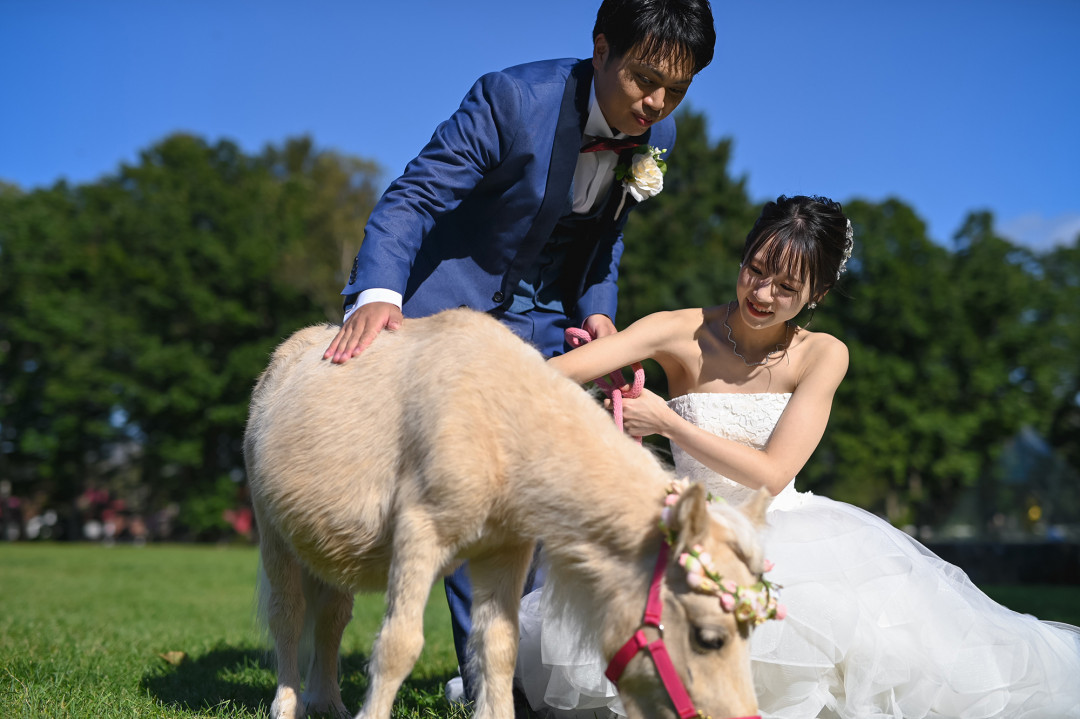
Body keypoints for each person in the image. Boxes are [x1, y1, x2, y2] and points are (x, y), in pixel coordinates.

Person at [515, 195, 1080, 718]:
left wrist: (667, 422)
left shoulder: (823, 354)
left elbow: (772, 472)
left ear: (818, 295)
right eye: (756, 269)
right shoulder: (678, 329)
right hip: (686, 523)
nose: (762, 294)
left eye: (786, 286)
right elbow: (549, 376)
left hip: (782, 529)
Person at [321, 0, 717, 704]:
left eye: (676, 90)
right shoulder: (511, 99)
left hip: (552, 331)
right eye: (644, 79)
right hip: (457, 315)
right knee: (473, 493)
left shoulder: (658, 133)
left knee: (546, 494)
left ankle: (524, 677)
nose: (657, 103)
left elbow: (605, 241)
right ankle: (497, 686)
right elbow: (414, 197)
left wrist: (599, 317)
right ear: (601, 49)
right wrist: (378, 292)